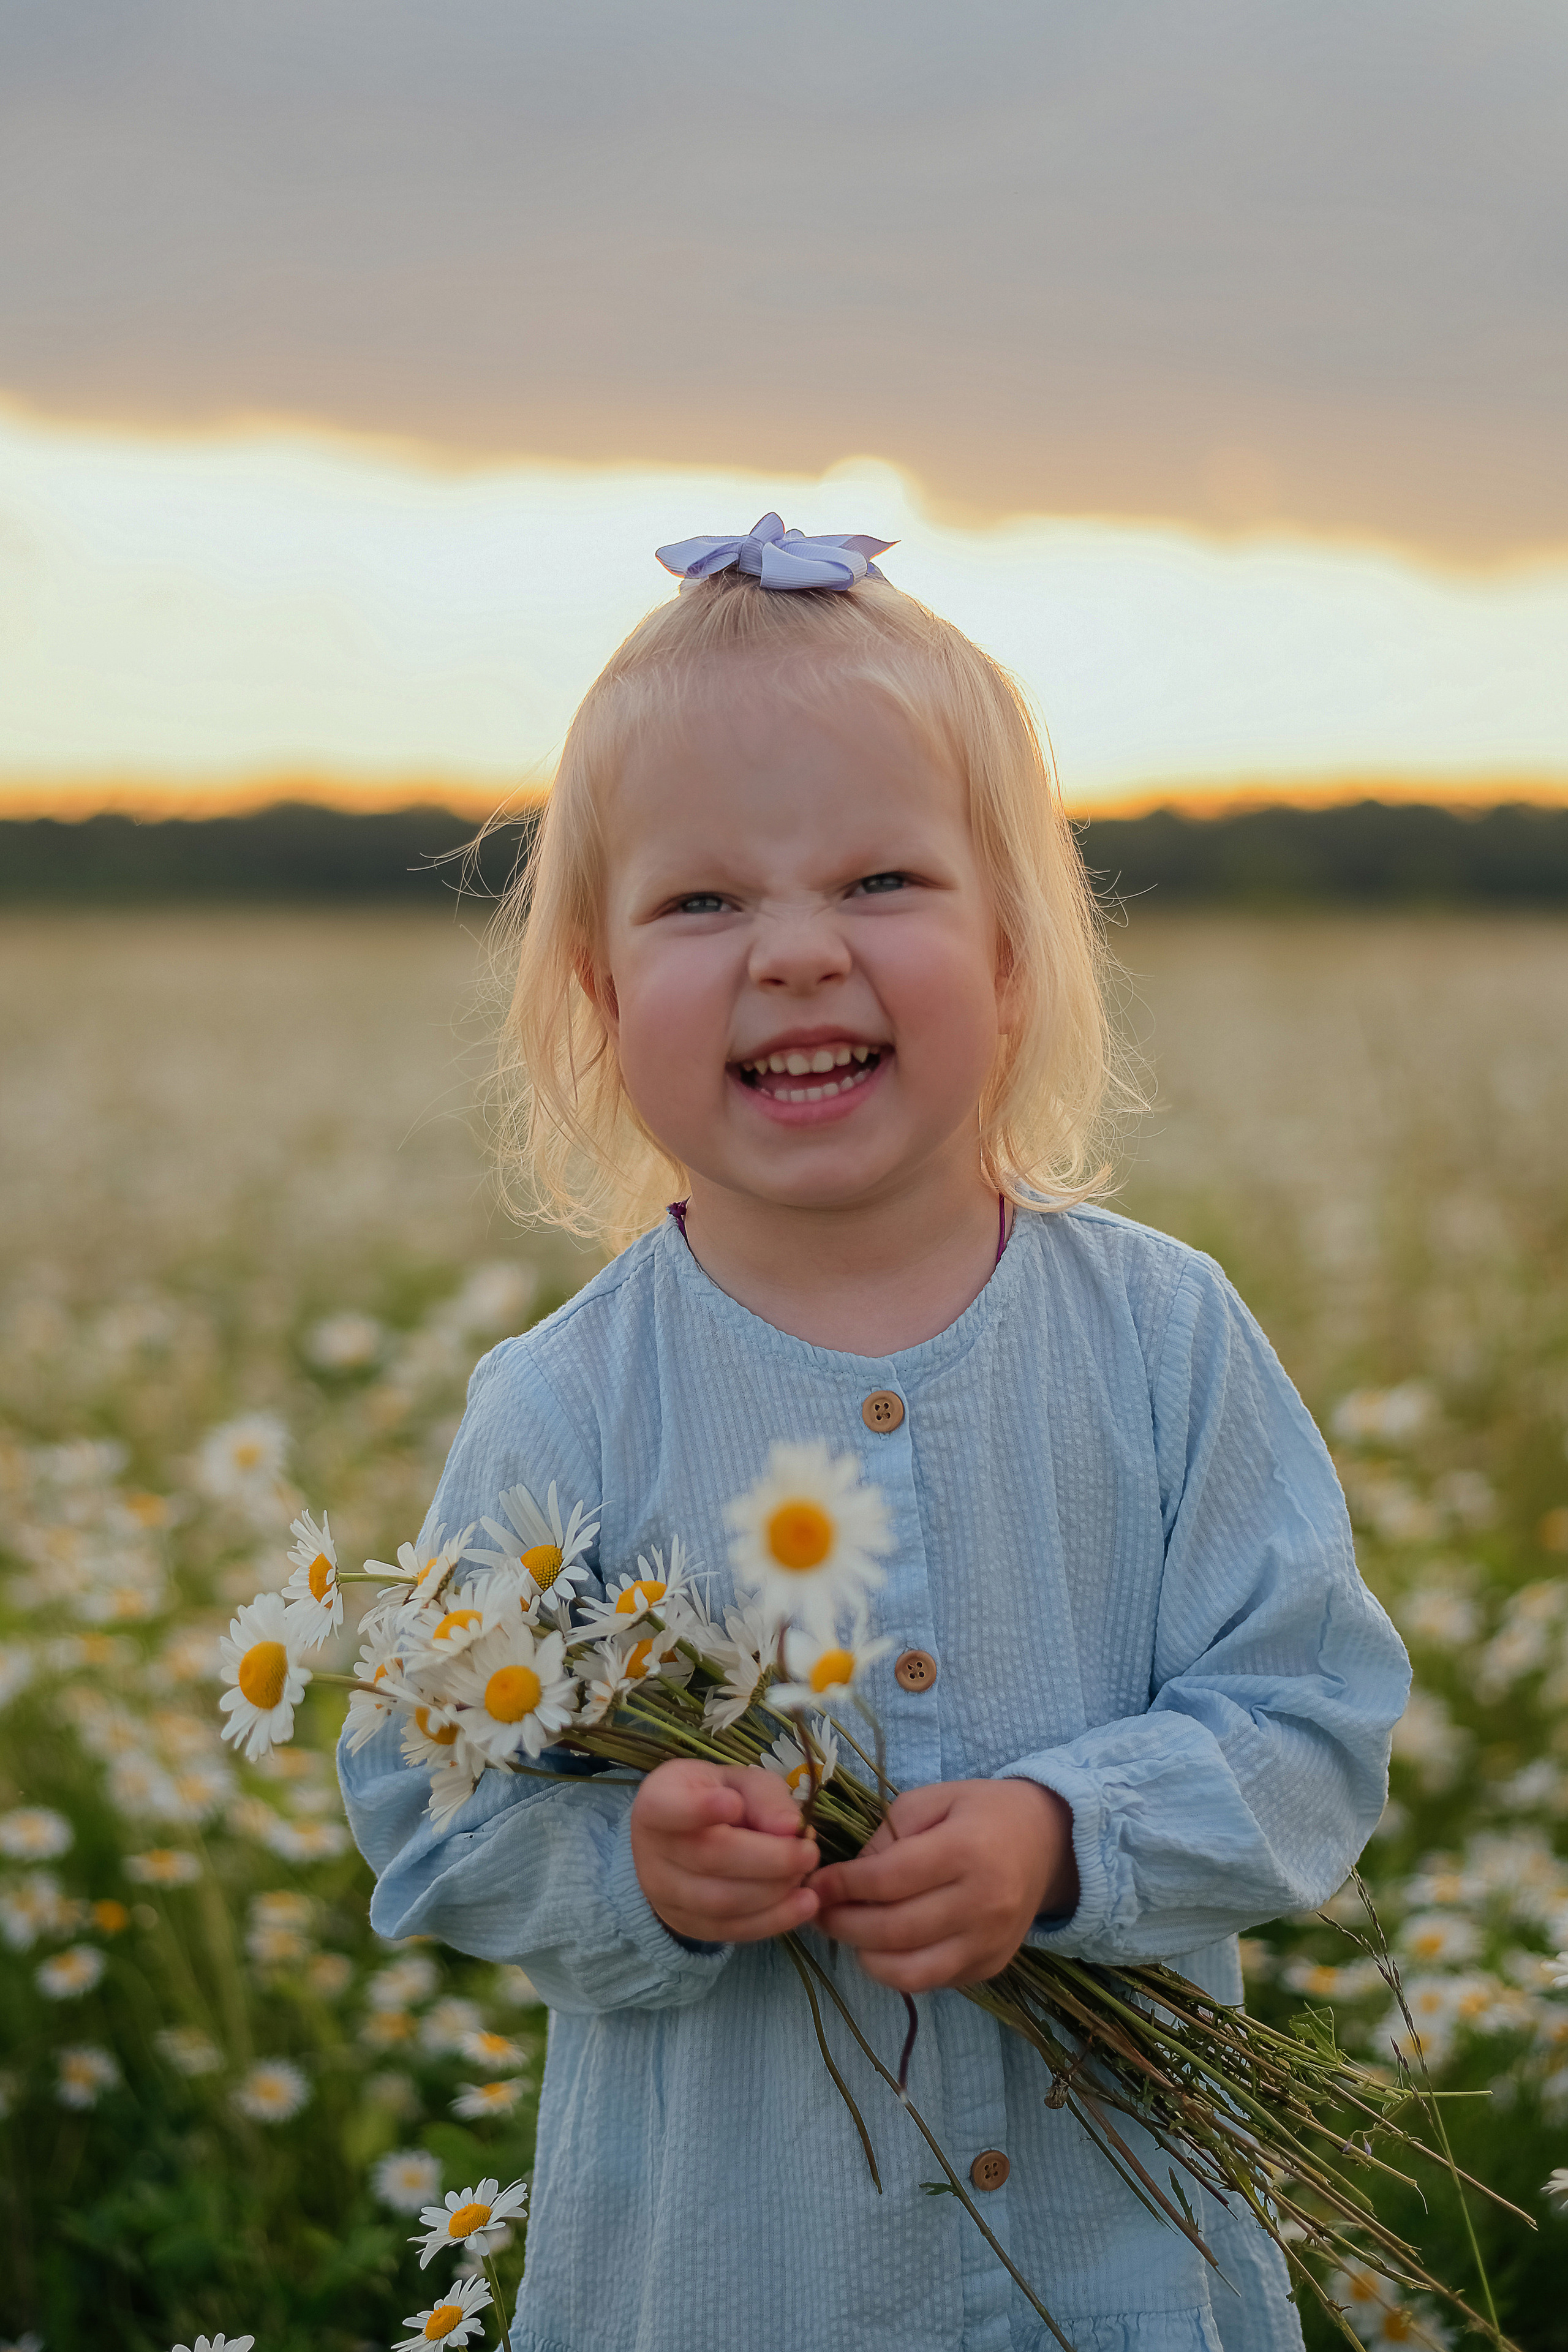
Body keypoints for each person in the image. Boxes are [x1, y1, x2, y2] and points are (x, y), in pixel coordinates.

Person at [339, 514, 1410, 2352]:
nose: (797, 956)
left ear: (1011, 951)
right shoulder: (569, 1401)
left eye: (882, 882)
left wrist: (1065, 1839)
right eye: (702, 902)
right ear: (598, 993)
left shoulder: (1162, 1337)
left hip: (1121, 2273)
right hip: (739, 2281)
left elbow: (1311, 1726)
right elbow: (425, 1808)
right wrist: (638, 1871)